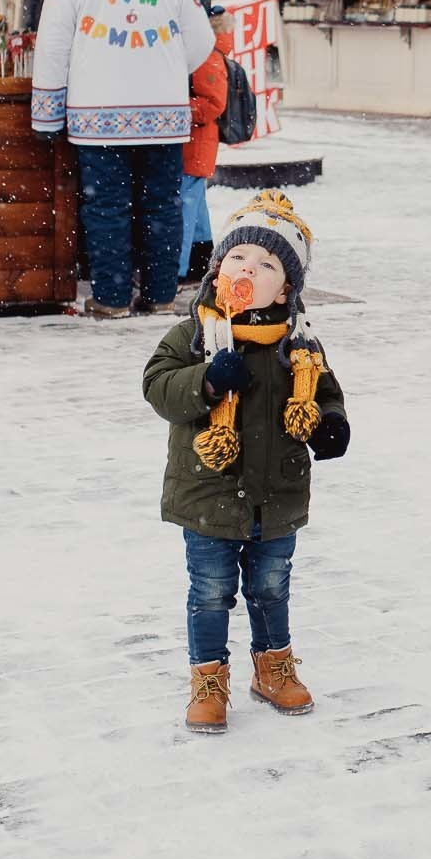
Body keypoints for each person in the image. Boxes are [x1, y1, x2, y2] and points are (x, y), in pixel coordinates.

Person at [141, 191, 349, 735]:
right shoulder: (194, 335)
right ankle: (208, 681)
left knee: (272, 587)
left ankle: (273, 668)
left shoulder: (299, 344)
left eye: (266, 263)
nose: (247, 269)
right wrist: (206, 381)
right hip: (208, 494)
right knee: (210, 592)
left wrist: (331, 423)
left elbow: (326, 392)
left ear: (287, 287)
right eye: (237, 258)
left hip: (276, 495)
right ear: (217, 268)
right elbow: (157, 386)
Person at [29, 0, 217, 319]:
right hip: (164, 118)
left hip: (97, 117)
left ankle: (112, 299)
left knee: (106, 205)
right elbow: (202, 43)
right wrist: (164, 71)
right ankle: (160, 294)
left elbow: (53, 48)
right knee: (162, 204)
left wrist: (47, 116)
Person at [179, 0, 232, 289]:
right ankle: (202, 260)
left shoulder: (205, 52)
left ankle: (180, 266)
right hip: (195, 141)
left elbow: (213, 103)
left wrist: (177, 109)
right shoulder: (203, 47)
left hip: (196, 141)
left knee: (185, 205)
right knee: (194, 203)